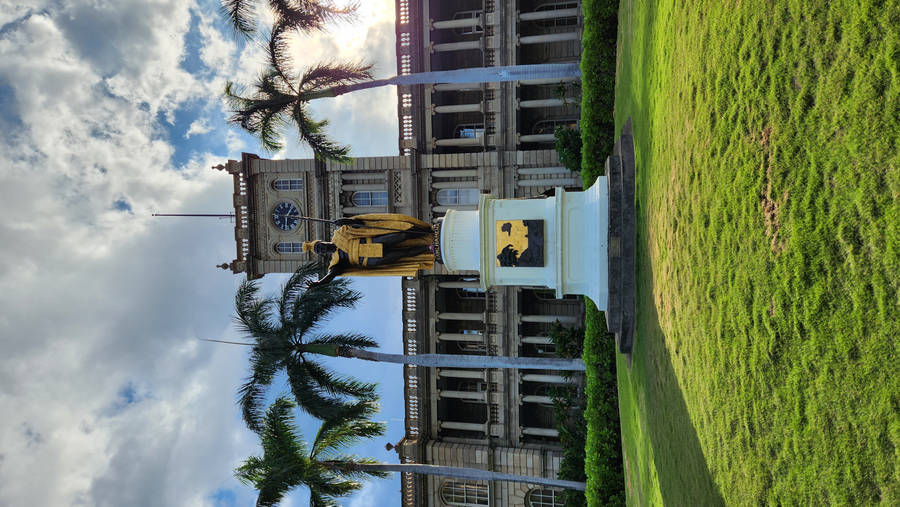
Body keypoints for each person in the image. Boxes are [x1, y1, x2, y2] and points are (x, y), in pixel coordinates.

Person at [304, 213, 434, 287]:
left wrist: (346, 221)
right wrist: (319, 283)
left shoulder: (340, 234)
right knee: (403, 254)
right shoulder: (336, 261)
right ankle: (428, 248)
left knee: (402, 235)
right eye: (320, 250)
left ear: (323, 241)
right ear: (323, 254)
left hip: (374, 242)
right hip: (372, 260)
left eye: (320, 245)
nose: (322, 248)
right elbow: (331, 275)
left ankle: (427, 231)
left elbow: (359, 224)